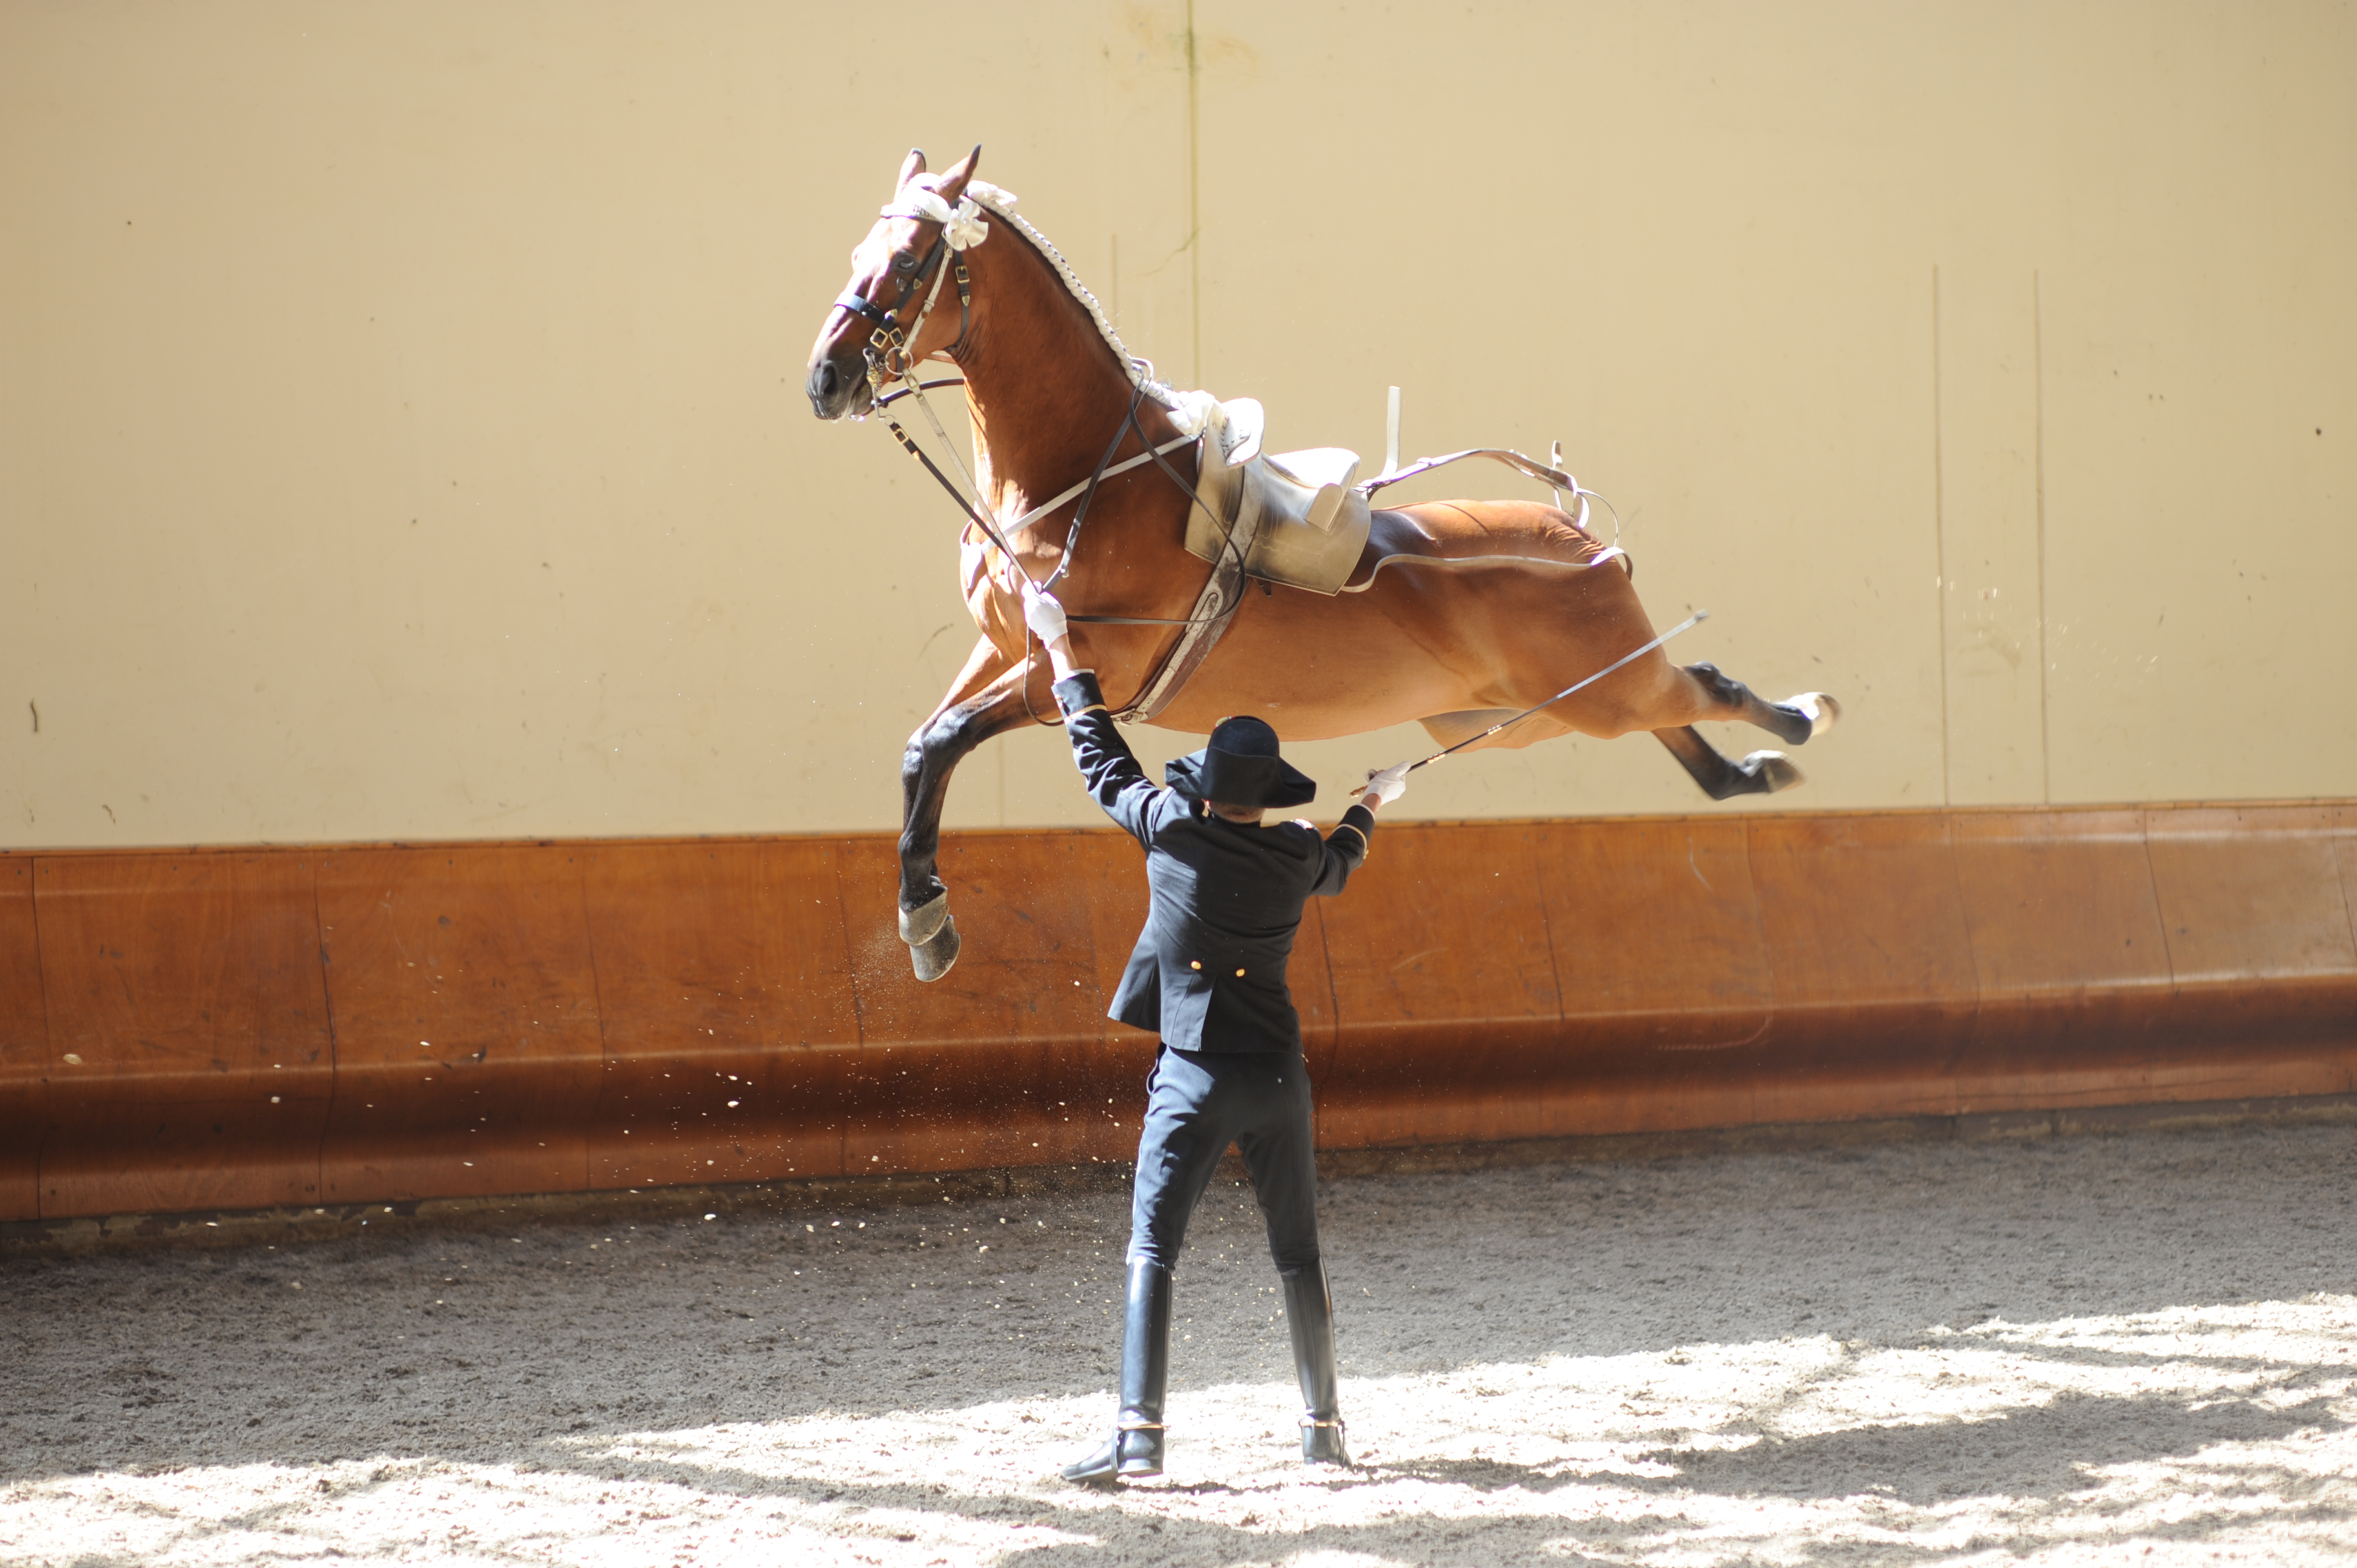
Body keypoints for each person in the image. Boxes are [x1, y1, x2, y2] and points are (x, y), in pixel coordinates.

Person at [1023, 584, 1411, 1484]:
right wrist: (1374, 803)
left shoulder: (1171, 833)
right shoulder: (1297, 855)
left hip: (1193, 1074)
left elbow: (1103, 763)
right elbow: (1341, 863)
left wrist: (1061, 652)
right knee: (1298, 1251)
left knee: (1154, 1247)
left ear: (1206, 789)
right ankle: (1323, 1433)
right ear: (1267, 796)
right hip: (1278, 1077)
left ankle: (1139, 1436)